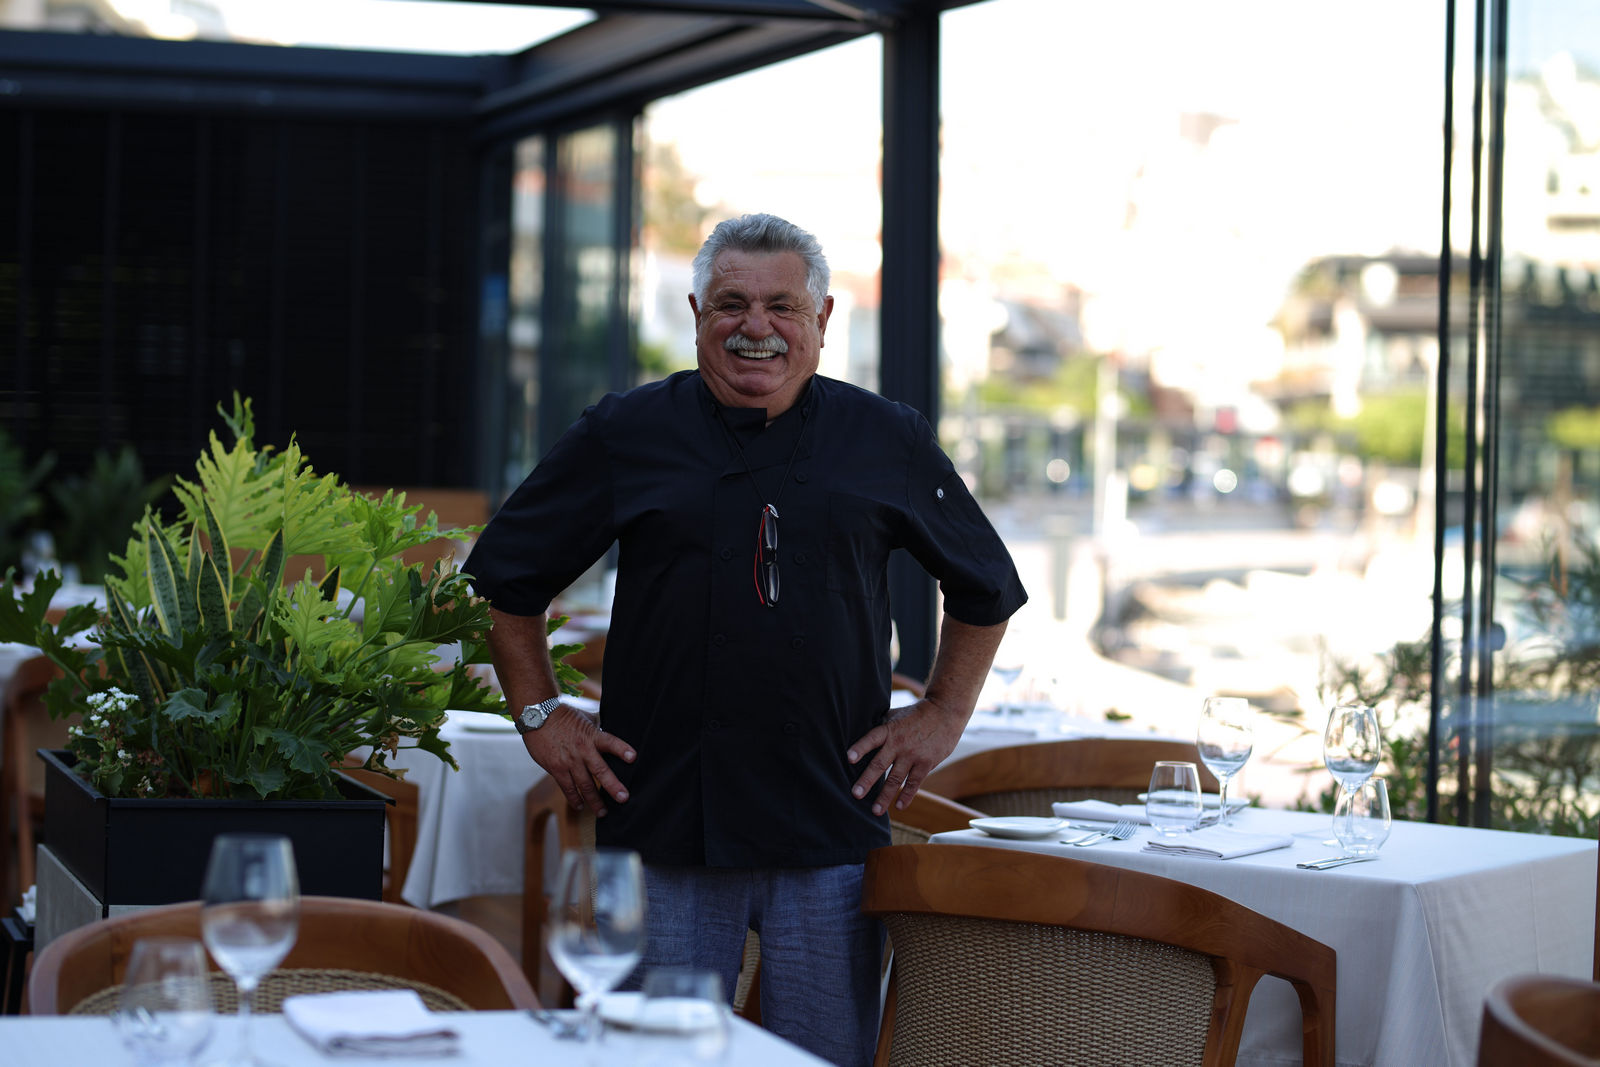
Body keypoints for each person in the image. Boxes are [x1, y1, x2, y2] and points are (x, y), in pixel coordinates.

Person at [464, 213, 1026, 1066]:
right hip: (661, 824)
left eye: (781, 307)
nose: (754, 326)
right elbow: (507, 581)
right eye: (731, 304)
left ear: (822, 319)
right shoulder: (626, 432)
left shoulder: (887, 438)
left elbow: (986, 586)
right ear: (697, 314)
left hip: (829, 826)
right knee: (657, 1061)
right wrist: (541, 714)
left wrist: (944, 712)